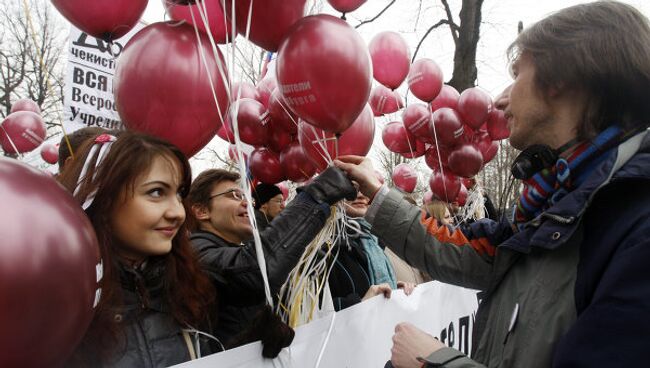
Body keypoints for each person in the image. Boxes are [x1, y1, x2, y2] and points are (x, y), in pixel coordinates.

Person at [335, 2, 650, 367]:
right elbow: (468, 251)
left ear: (562, 80)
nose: (501, 99)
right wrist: (378, 195)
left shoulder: (635, 228)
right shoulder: (550, 205)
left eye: (517, 74)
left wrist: (435, 361)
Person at [59, 132, 217, 367]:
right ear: (103, 198)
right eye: (156, 192)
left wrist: (248, 345)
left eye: (179, 194)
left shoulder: (188, 287)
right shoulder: (54, 310)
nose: (178, 212)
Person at [185, 167, 357, 348]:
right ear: (201, 211)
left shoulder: (228, 250)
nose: (247, 204)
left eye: (247, 198)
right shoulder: (195, 254)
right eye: (235, 195)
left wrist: (259, 332)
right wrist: (318, 194)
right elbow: (255, 271)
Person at [327, 192, 415, 311]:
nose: (361, 195)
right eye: (353, 188)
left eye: (364, 188)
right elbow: (307, 310)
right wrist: (359, 303)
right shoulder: (323, 243)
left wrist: (394, 286)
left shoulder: (375, 240)